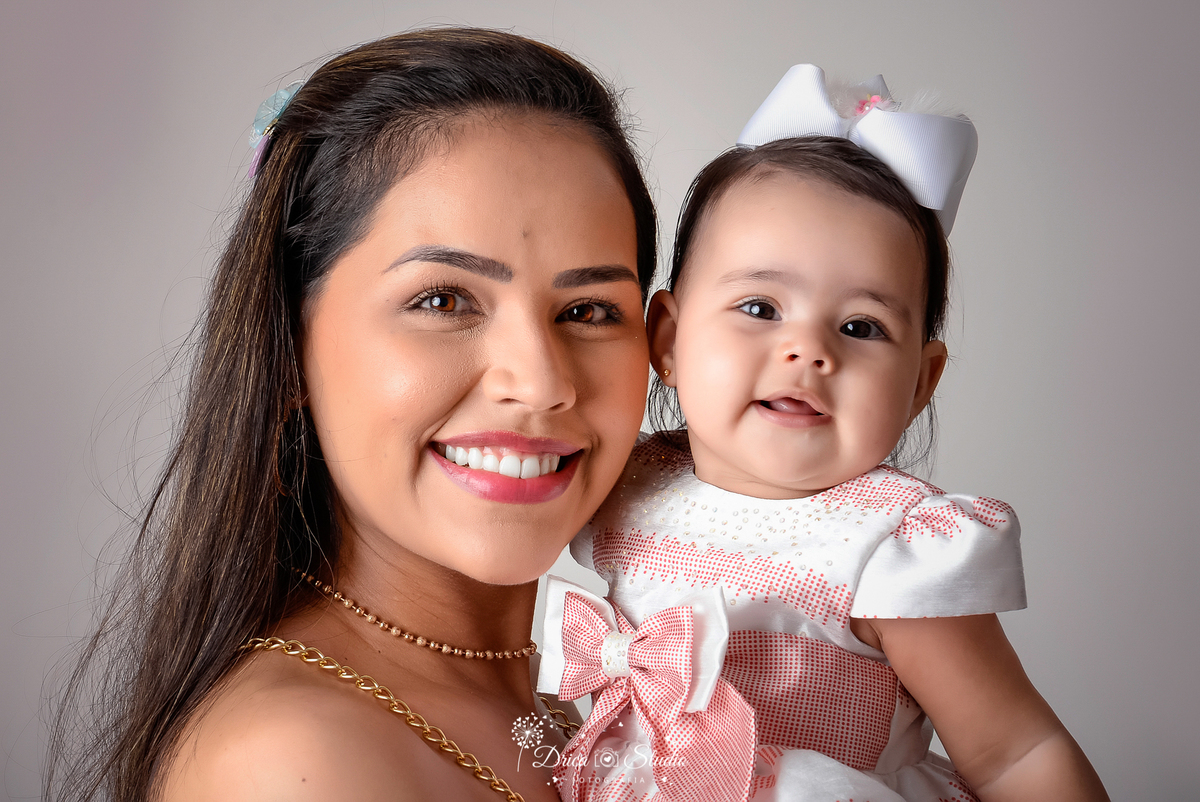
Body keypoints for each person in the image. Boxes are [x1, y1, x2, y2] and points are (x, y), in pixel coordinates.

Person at [45, 28, 659, 802]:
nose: (539, 383)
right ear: (293, 345)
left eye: (590, 309)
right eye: (443, 300)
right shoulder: (295, 761)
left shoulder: (572, 709)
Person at [537, 65, 1109, 801]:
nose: (809, 350)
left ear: (919, 384)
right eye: (760, 307)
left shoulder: (891, 550)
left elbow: (1013, 752)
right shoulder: (628, 486)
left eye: (860, 326)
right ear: (669, 339)